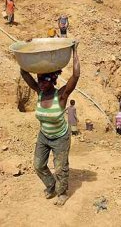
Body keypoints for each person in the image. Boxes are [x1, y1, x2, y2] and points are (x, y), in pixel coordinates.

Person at [20, 43, 80, 207]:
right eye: (39, 80)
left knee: (60, 168)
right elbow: (24, 73)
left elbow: (75, 76)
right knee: (38, 165)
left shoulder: (60, 95)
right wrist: (23, 53)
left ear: (52, 81)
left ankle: (62, 192)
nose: (40, 83)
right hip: (44, 136)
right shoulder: (39, 93)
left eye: (44, 81)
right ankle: (51, 185)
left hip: (60, 137)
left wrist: (74, 51)